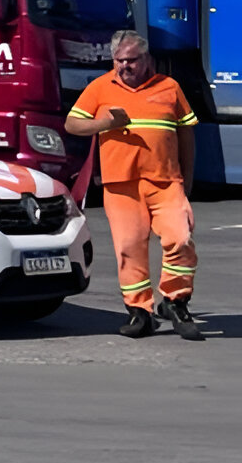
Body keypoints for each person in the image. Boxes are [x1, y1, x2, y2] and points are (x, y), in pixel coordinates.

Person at [66, 29, 203, 340]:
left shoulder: (169, 87)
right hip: (121, 184)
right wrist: (106, 123)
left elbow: (186, 135)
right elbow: (72, 124)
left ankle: (176, 302)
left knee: (180, 239)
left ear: (146, 59)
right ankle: (139, 312)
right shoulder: (101, 87)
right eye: (119, 60)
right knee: (129, 248)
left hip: (166, 181)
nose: (124, 66)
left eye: (131, 60)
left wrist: (188, 178)